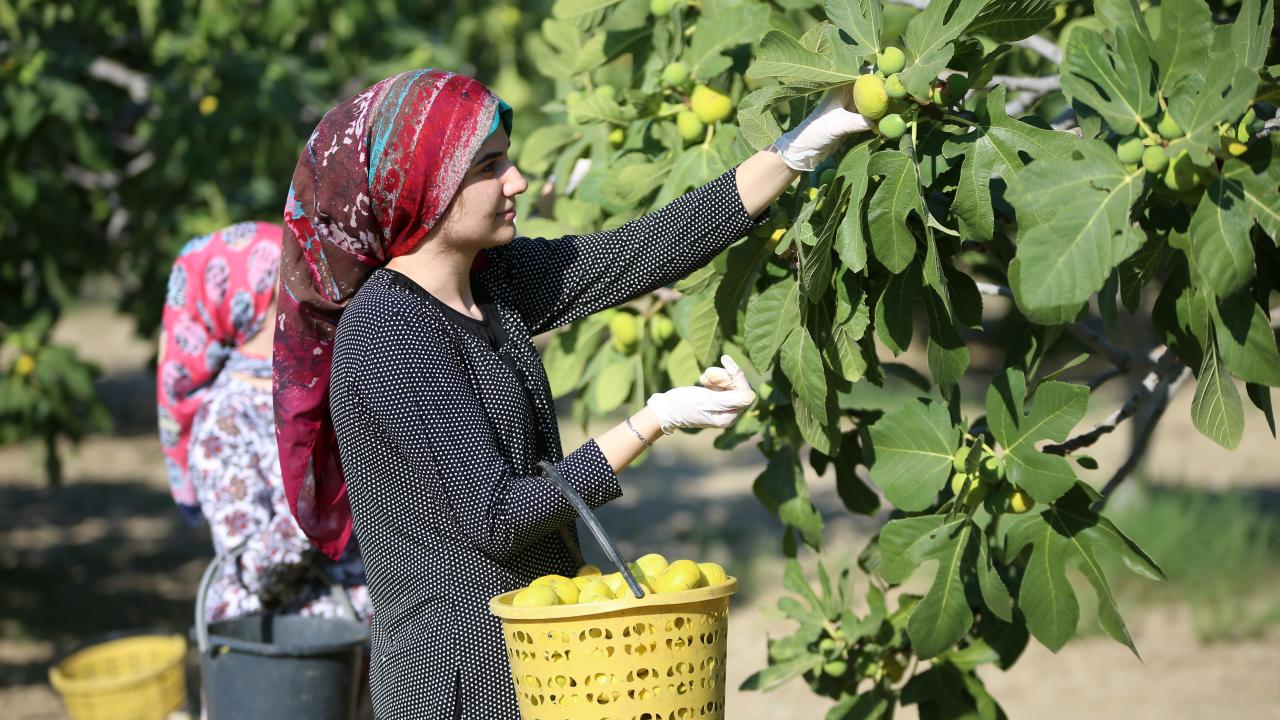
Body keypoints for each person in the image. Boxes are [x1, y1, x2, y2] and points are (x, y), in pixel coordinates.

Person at [271, 70, 870, 718]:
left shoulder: (489, 282)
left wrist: (799, 147)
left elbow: (641, 252)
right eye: (491, 167)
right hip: (460, 676)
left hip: (543, 650)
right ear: (429, 188)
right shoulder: (391, 332)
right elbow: (499, 517)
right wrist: (653, 421)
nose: (518, 181)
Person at [156, 221, 372, 624]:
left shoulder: (317, 385)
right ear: (251, 301)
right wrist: (321, 493)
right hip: (298, 655)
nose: (316, 283)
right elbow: (253, 570)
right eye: (291, 273)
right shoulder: (227, 417)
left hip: (365, 641)